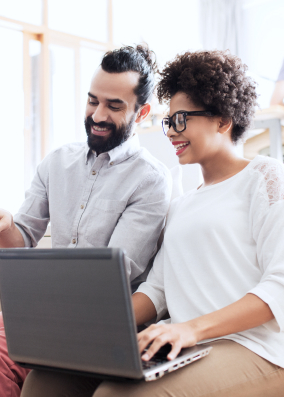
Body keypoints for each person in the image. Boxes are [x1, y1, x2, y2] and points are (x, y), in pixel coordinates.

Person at [20, 50, 284, 397]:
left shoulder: (265, 179)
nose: (171, 132)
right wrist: (89, 328)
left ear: (222, 120)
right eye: (168, 120)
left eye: (182, 119)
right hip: (186, 342)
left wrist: (189, 330)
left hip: (254, 348)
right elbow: (156, 290)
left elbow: (278, 286)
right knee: (46, 383)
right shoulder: (183, 203)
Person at [0, 46, 172, 397]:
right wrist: (6, 224)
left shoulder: (152, 180)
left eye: (114, 106)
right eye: (92, 101)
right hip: (49, 310)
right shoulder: (58, 161)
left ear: (142, 112)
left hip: (105, 321)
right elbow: (23, 236)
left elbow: (109, 275)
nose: (98, 114)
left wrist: (23, 284)